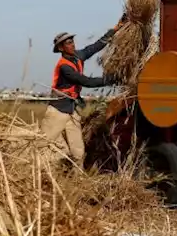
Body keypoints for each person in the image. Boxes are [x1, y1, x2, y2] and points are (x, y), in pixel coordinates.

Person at [40, 16, 126, 164]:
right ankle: (40, 172)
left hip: (72, 109)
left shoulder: (78, 56)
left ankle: (77, 178)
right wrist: (113, 78)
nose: (72, 44)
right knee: (43, 144)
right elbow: (86, 81)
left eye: (72, 41)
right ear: (61, 48)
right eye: (68, 43)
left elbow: (95, 46)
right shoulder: (64, 67)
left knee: (78, 150)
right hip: (58, 110)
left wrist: (115, 29)